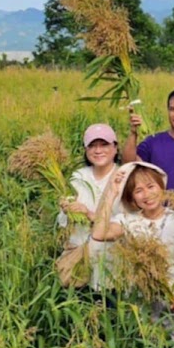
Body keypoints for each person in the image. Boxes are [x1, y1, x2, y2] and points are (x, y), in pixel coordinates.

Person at [91, 162, 174, 317]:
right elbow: (99, 234)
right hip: (142, 302)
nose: (147, 195)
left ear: (161, 187)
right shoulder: (127, 221)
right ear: (132, 197)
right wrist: (112, 192)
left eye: (151, 186)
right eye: (138, 191)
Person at [57, 123, 120, 290]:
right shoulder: (78, 177)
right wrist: (66, 209)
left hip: (111, 262)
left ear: (115, 148)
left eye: (104, 144)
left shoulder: (123, 177)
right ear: (85, 150)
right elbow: (63, 223)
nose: (98, 150)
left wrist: (88, 213)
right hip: (78, 259)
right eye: (92, 145)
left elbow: (127, 224)